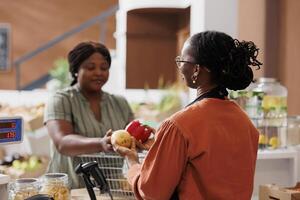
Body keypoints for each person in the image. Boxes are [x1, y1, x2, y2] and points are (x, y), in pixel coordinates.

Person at [113, 31, 262, 200]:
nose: (180, 67)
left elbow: (153, 193)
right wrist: (164, 145)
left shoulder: (179, 125)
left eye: (182, 61)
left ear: (197, 69)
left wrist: (132, 161)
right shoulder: (244, 122)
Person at [44, 41, 134, 188]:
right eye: (90, 67)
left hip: (112, 189)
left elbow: (132, 137)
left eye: (104, 68)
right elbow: (62, 142)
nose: (98, 72)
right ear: (75, 70)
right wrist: (100, 144)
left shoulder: (119, 102)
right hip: (69, 190)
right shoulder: (61, 100)